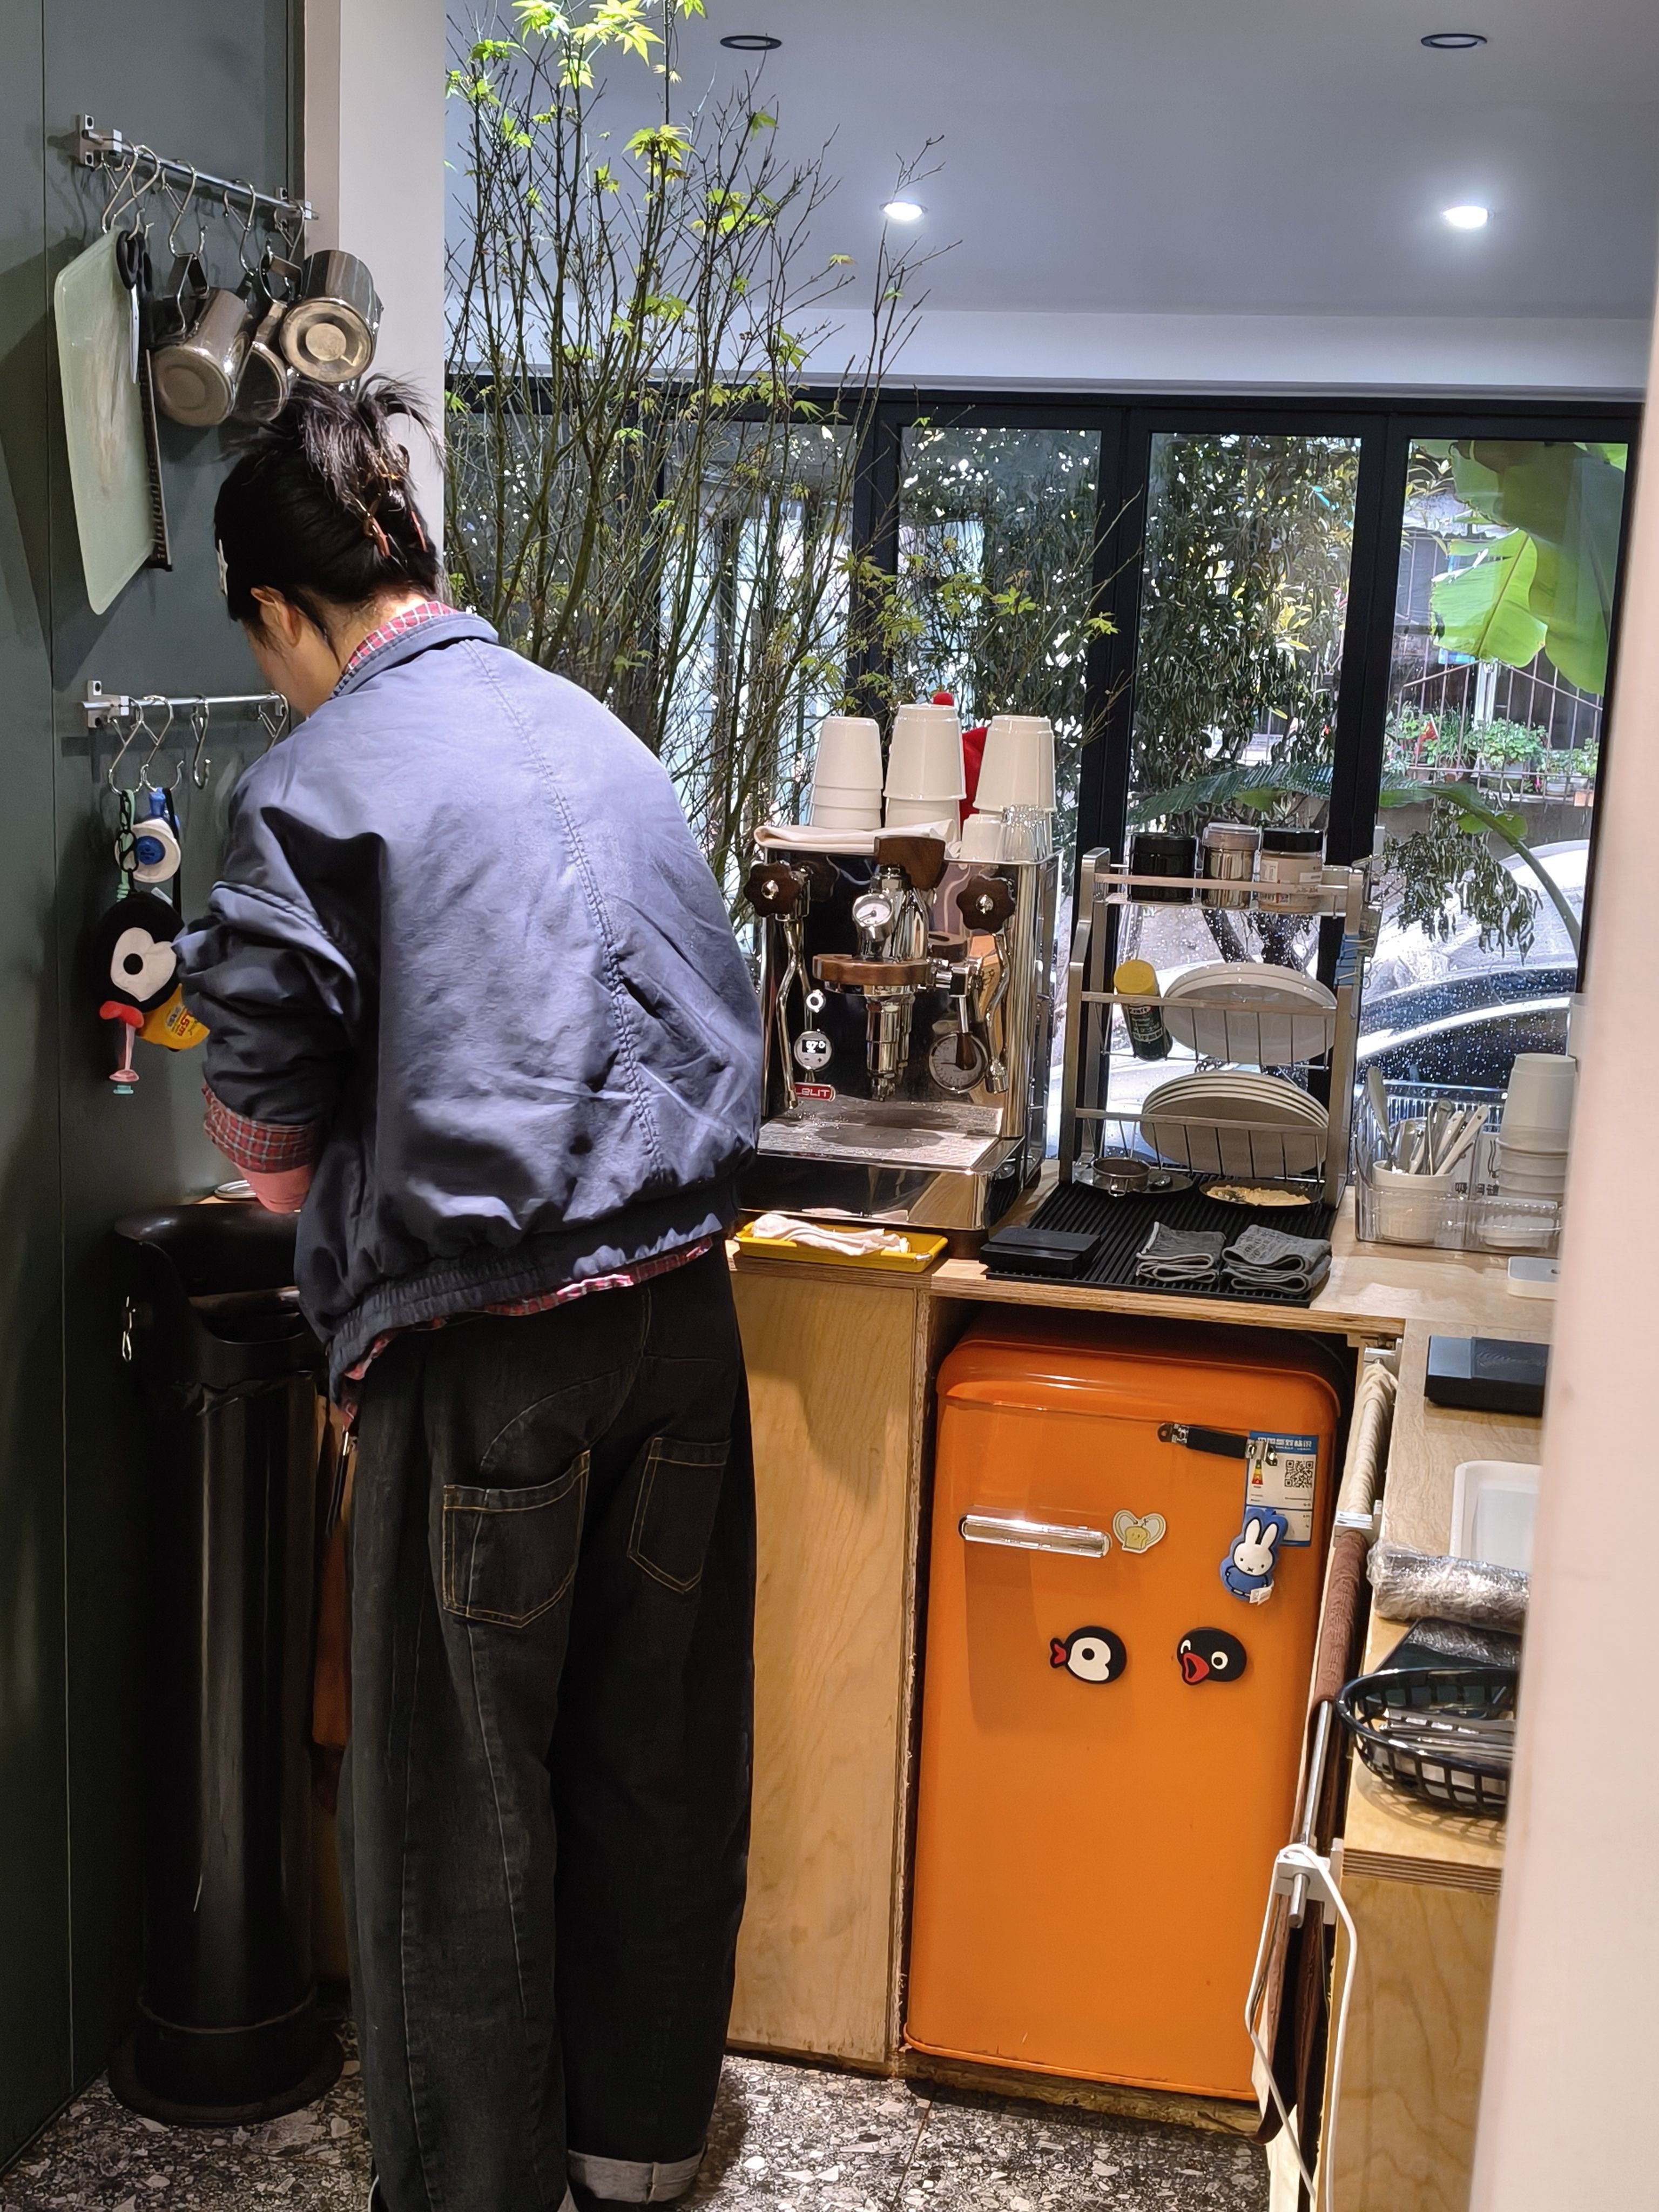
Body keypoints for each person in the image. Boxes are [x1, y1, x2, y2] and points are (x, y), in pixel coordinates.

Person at [177, 380, 764, 2212]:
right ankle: (639, 2154)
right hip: (684, 1317)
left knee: (455, 1811)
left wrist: (291, 1183)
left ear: (281, 610)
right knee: (655, 1755)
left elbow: (267, 1076)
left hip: (487, 1343)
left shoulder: (317, 776)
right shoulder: (595, 728)